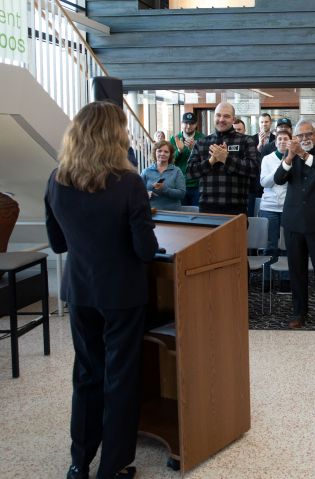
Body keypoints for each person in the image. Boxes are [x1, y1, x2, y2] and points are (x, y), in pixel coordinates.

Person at [45, 101, 158, 479]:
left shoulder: (56, 179)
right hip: (122, 295)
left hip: (80, 292)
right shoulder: (128, 183)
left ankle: (79, 462)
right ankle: (113, 465)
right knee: (120, 377)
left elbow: (59, 244)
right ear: (116, 137)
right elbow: (145, 250)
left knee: (87, 374)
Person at [274, 119, 315, 330]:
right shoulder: (291, 153)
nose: (304, 139)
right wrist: (290, 157)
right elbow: (278, 178)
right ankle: (299, 313)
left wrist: (303, 155)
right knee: (297, 271)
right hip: (294, 222)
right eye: (300, 136)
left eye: (308, 134)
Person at [186, 102, 259, 215]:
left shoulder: (246, 141)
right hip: (207, 208)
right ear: (214, 117)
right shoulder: (202, 142)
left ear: (233, 119)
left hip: (236, 209)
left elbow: (254, 170)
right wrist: (211, 161)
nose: (221, 119)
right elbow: (190, 172)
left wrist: (226, 159)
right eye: (218, 115)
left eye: (226, 116)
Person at [259, 130, 292, 285]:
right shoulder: (267, 159)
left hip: (288, 207)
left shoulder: (295, 159)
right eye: (279, 139)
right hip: (269, 207)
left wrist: (287, 163)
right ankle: (267, 278)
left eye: (285, 139)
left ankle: (285, 279)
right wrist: (281, 168)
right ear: (275, 142)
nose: (282, 141)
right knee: (270, 245)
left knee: (287, 245)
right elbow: (265, 182)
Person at [170, 112, 205, 206]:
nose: (188, 126)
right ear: (181, 123)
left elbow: (207, 161)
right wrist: (179, 151)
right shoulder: (174, 139)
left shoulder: (202, 138)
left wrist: (194, 150)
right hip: (179, 183)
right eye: (186, 123)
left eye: (192, 123)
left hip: (198, 184)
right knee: (182, 214)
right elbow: (170, 162)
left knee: (197, 214)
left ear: (196, 124)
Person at [141, 140, 186, 211]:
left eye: (166, 152)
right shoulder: (146, 171)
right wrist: (145, 193)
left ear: (170, 154)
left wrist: (164, 189)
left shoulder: (176, 171)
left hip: (173, 213)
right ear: (155, 153)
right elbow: (137, 192)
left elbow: (182, 194)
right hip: (151, 212)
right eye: (159, 151)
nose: (162, 154)